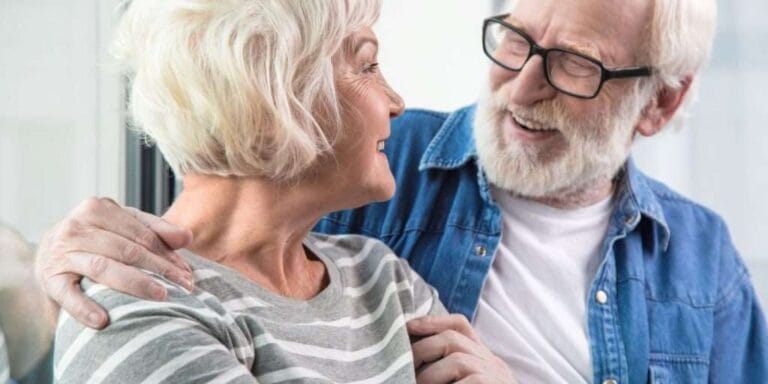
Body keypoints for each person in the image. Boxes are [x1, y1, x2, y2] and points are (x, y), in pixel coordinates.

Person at [37, 0, 768, 383]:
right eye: (515, 39)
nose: (521, 84)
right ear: (285, 99)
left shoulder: (706, 265)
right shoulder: (383, 167)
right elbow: (228, 200)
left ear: (661, 105)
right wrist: (59, 268)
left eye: (575, 64)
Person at [46, 0, 468, 382]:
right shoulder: (135, 307)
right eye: (367, 67)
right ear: (274, 90)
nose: (396, 101)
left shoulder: (381, 277)